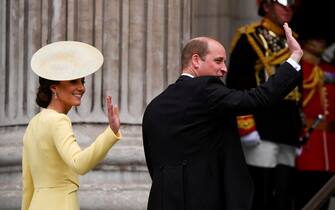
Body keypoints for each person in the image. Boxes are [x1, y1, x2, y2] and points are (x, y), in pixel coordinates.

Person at [142, 23, 302, 210]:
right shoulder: (206, 89)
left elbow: (154, 163)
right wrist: (294, 58)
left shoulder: (154, 106)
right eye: (218, 61)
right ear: (195, 60)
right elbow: (259, 98)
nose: (224, 69)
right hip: (204, 200)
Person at [21, 41, 121, 210]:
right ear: (54, 87)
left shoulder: (33, 124)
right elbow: (79, 164)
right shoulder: (59, 121)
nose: (81, 88)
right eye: (74, 81)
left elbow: (27, 186)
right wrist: (111, 132)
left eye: (82, 81)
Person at [225, 1, 302, 209]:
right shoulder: (249, 36)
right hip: (261, 125)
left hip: (287, 128)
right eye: (283, 4)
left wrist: (299, 128)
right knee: (262, 192)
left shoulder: (293, 40)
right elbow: (236, 85)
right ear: (267, 6)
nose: (289, 9)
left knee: (285, 195)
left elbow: (298, 90)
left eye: (292, 5)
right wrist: (245, 124)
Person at [291, 1, 335, 208]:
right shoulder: (298, 69)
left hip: (330, 149)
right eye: (315, 37)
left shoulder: (329, 69)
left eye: (323, 38)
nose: (320, 41)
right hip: (307, 147)